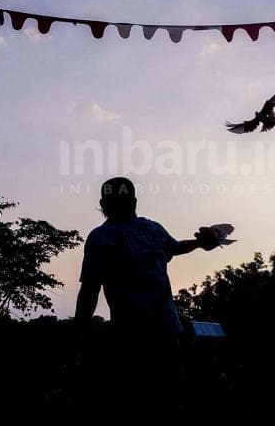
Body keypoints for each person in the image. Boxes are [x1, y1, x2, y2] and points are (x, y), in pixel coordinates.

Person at [73, 177, 225, 424]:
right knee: (163, 402)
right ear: (134, 201)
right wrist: (199, 244)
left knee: (140, 403)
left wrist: (79, 333)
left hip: (136, 336)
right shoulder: (148, 230)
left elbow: (90, 289)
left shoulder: (102, 237)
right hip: (158, 334)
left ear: (102, 204)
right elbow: (176, 247)